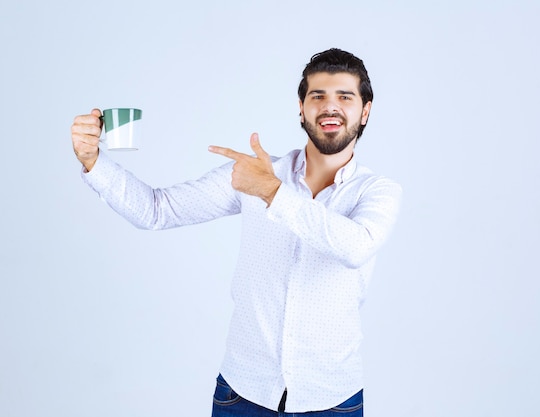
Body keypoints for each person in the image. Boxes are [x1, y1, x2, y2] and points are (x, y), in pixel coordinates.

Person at [71, 48, 402, 416]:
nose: (330, 106)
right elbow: (156, 210)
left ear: (365, 110)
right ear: (301, 107)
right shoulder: (257, 173)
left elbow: (356, 247)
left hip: (332, 400)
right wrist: (94, 162)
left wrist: (273, 192)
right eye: (317, 96)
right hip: (242, 395)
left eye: (345, 97)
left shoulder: (377, 191)